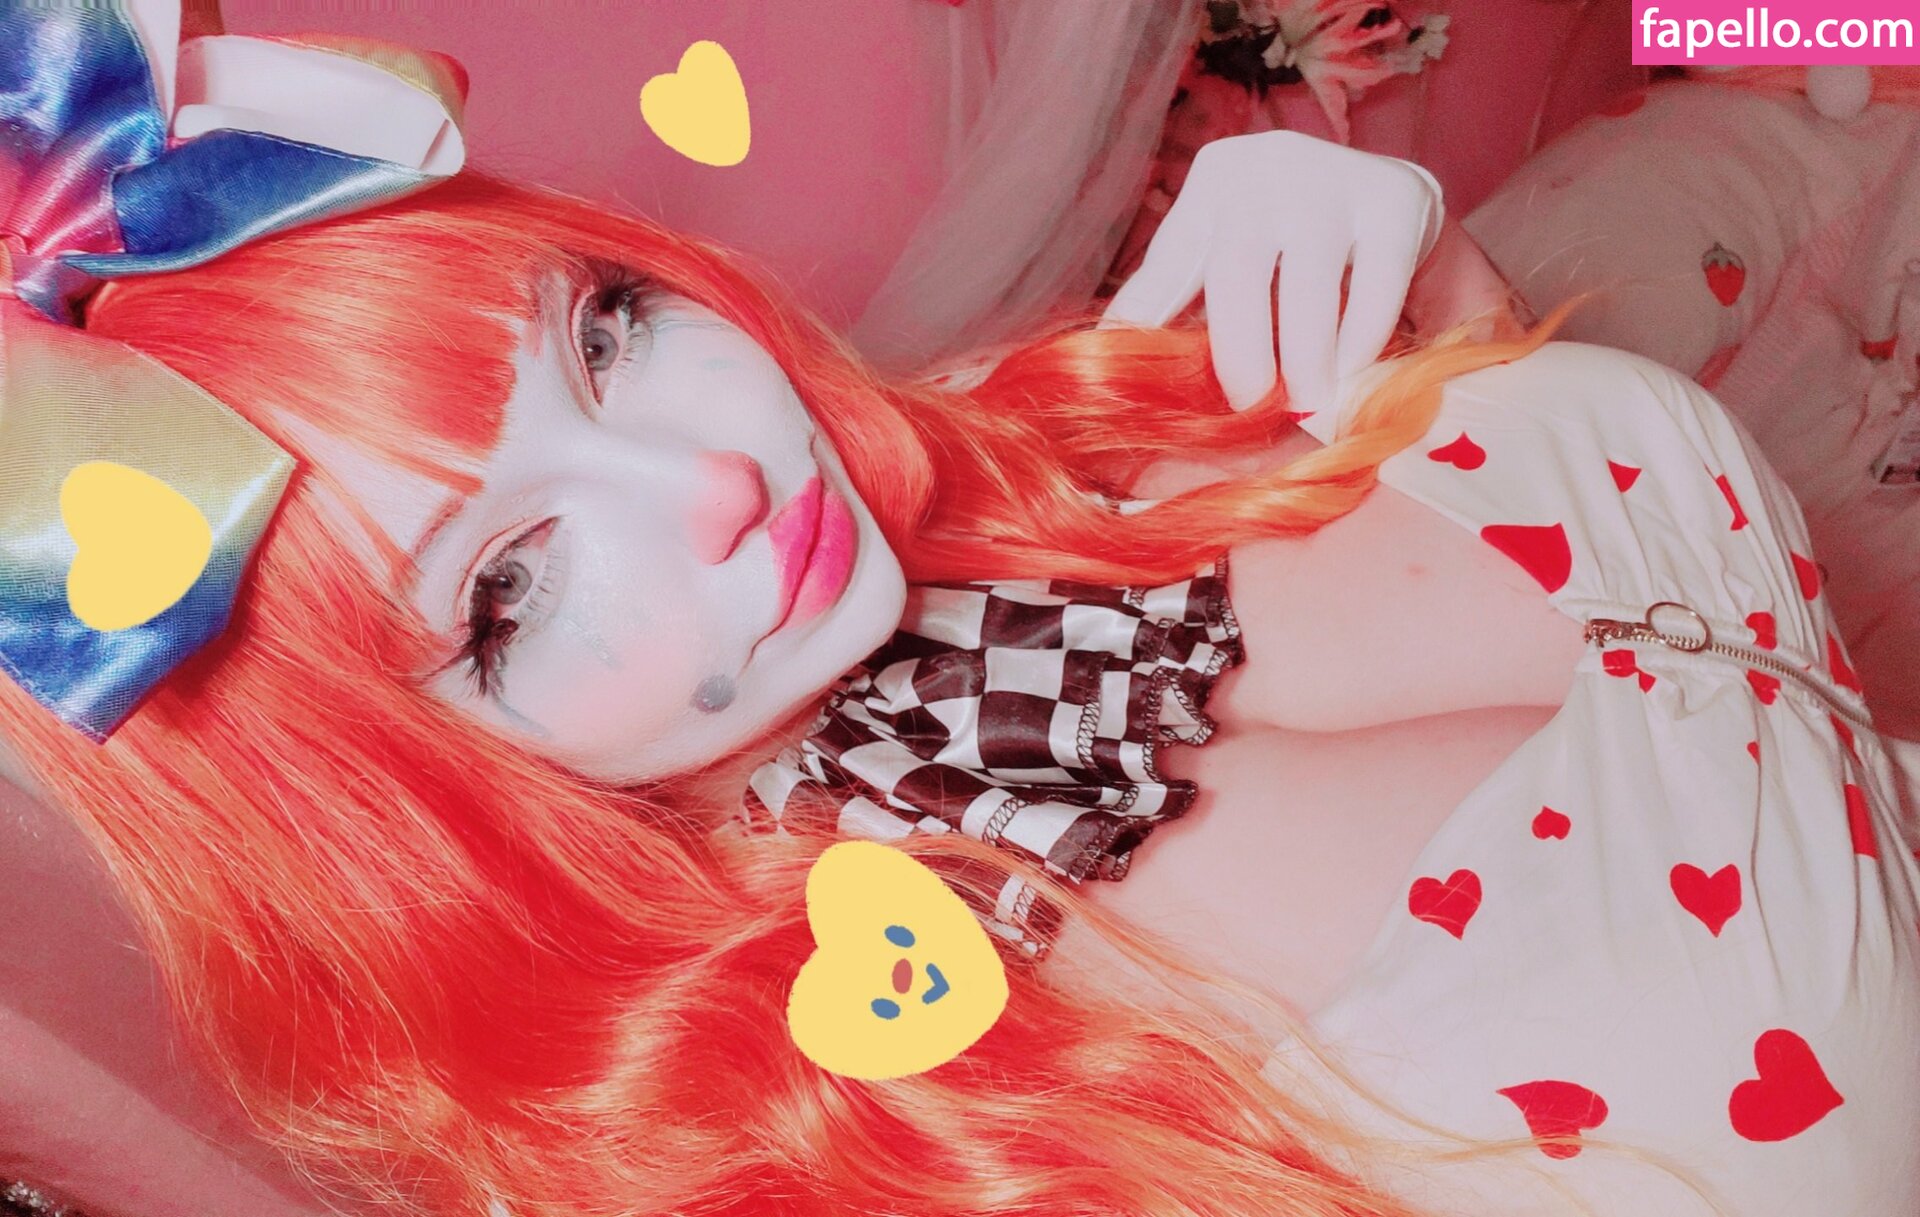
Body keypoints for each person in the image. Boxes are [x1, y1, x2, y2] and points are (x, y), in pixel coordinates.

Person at [4, 5, 1917, 1217]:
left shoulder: (1049, 413)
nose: (710, 475)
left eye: (604, 332)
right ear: (407, 795)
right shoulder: (905, 1137)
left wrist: (1436, 302)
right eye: (507, 588)